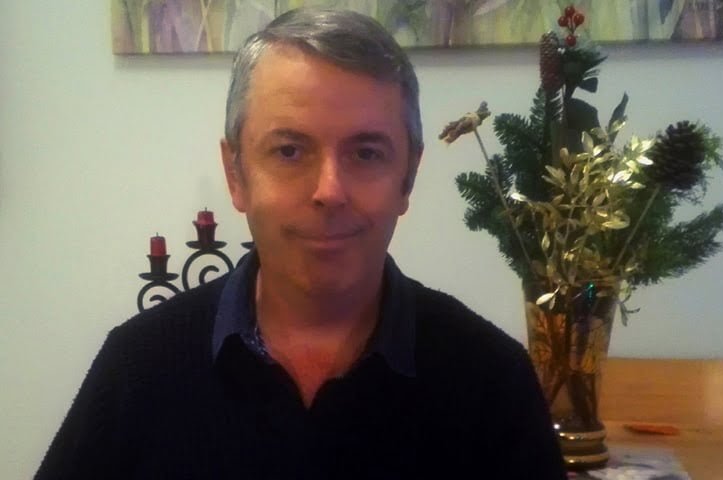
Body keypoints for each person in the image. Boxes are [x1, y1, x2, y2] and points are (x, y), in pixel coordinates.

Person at [36, 8, 566, 480]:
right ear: (236, 174)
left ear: (407, 178)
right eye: (289, 151)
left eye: (366, 153)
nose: (329, 191)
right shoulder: (139, 368)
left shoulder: (492, 382)